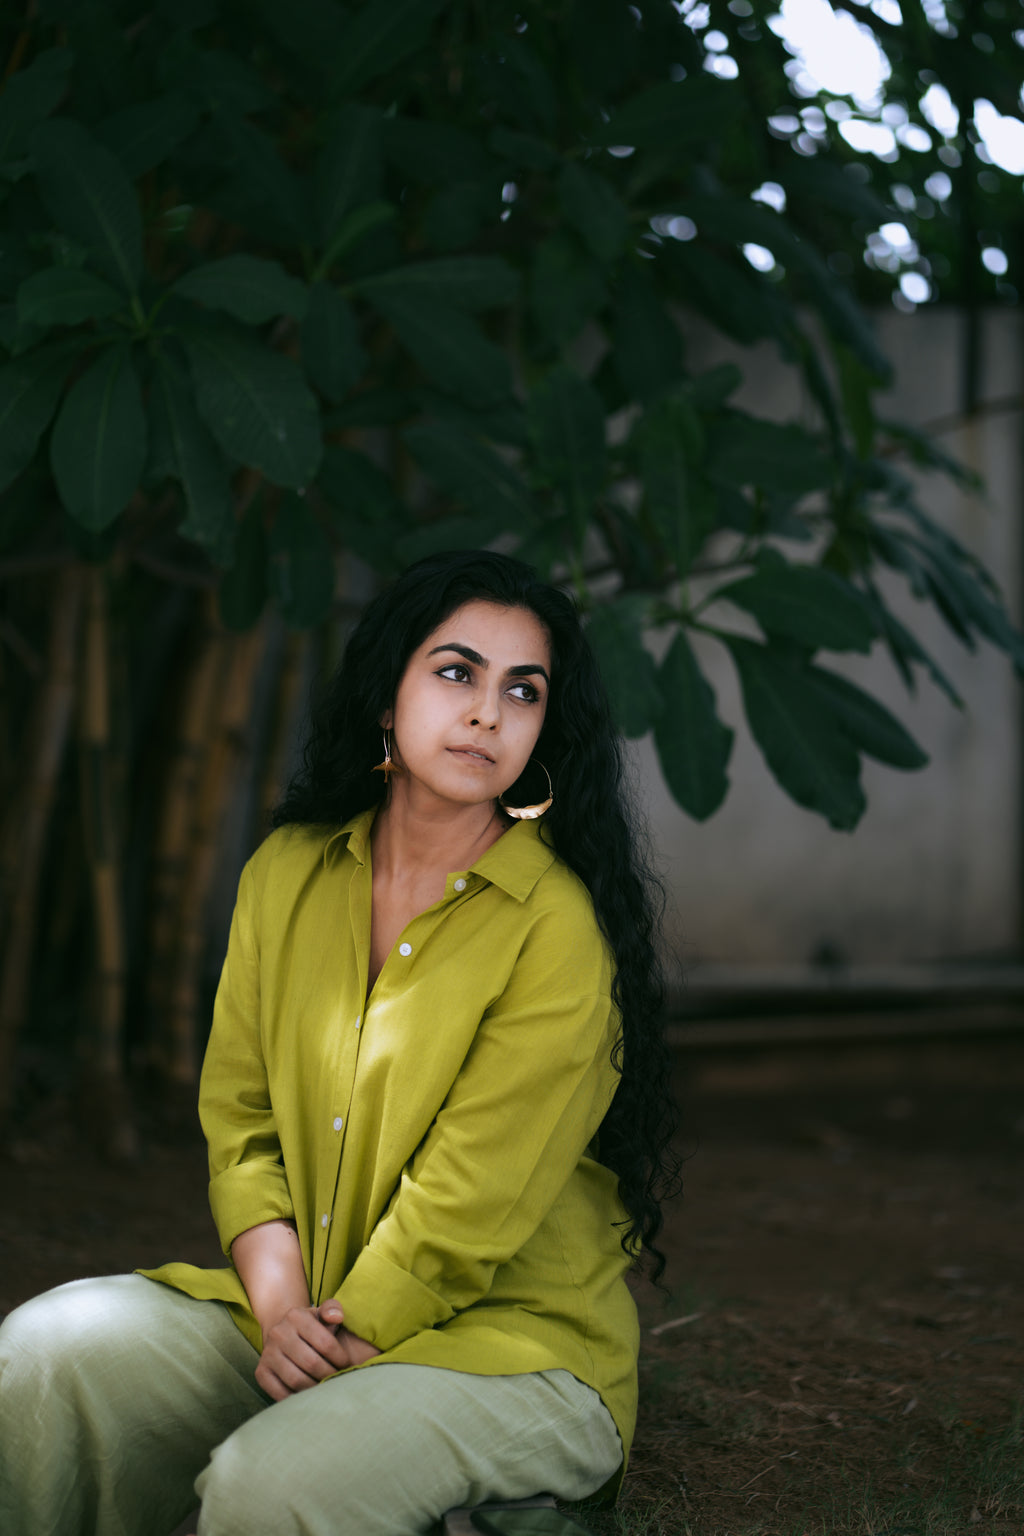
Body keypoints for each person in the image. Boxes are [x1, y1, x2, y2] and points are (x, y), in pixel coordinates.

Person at [0, 549, 678, 1536]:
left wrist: (329, 1340)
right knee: (40, 1355)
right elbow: (240, 1118)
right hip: (299, 1313)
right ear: (384, 695)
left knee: (270, 1487)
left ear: (540, 733)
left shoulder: (556, 928)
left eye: (520, 691)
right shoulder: (287, 873)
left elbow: (464, 1206)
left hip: (506, 1347)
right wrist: (280, 1313)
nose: (487, 712)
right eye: (456, 673)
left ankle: (521, 1505)